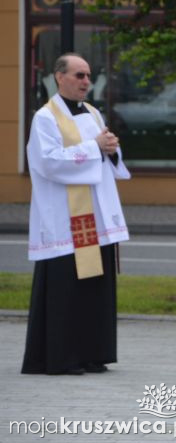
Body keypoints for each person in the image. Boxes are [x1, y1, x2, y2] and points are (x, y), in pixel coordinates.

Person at [22, 53, 131, 375]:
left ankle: (92, 353)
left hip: (94, 218)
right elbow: (48, 162)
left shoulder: (94, 113)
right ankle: (61, 356)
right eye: (79, 75)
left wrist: (110, 147)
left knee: (95, 288)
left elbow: (106, 153)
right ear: (59, 77)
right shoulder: (46, 117)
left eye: (88, 75)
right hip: (64, 221)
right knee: (66, 289)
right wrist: (96, 147)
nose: (86, 81)